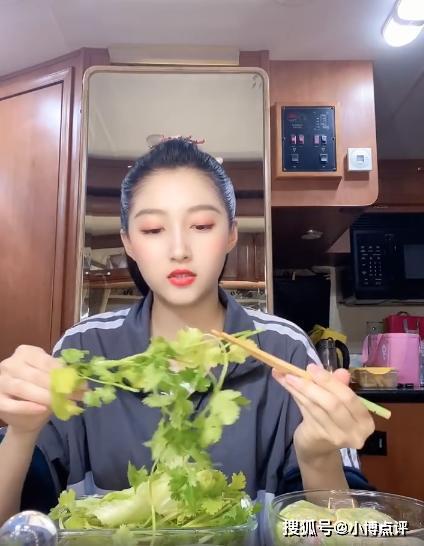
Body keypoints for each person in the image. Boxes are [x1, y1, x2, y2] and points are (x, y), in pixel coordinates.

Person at [0, 138, 375, 528]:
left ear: (231, 234)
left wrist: (317, 456)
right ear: (129, 242)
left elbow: (344, 529)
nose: (179, 249)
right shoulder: (84, 347)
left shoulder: (285, 348)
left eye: (201, 226)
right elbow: (14, 524)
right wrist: (21, 433)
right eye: (153, 229)